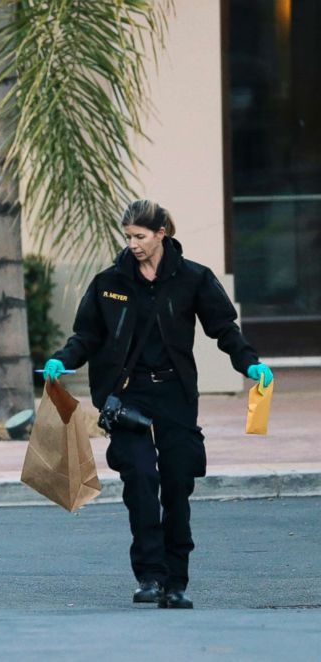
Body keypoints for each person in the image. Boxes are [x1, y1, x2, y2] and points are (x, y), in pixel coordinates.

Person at [43, 199, 273, 609]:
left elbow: (224, 329)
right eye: (128, 237)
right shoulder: (109, 282)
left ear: (161, 233)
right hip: (126, 395)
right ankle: (150, 575)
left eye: (141, 236)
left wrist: (250, 364)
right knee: (141, 481)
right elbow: (87, 336)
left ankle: (176, 581)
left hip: (174, 394)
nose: (133, 244)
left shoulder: (193, 278)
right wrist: (64, 359)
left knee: (178, 481)